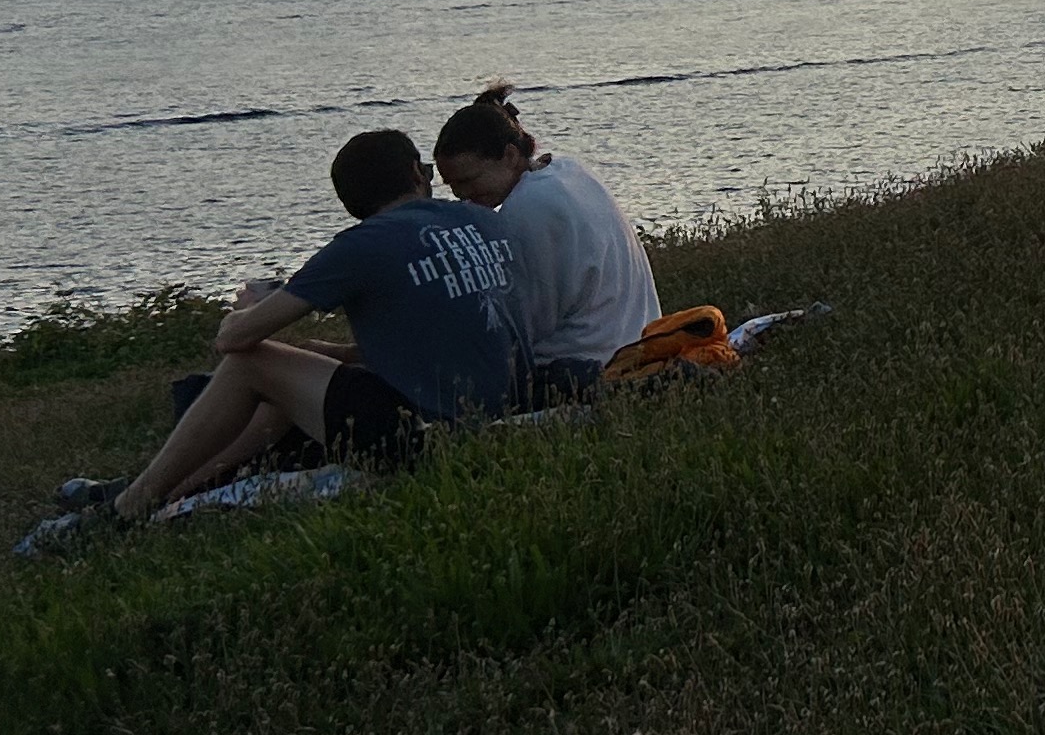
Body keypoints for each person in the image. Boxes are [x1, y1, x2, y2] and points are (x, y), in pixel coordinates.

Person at [82, 129, 521, 524]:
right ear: (414, 173)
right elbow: (444, 333)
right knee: (288, 380)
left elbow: (234, 339)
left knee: (249, 365)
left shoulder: (363, 245)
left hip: (423, 436)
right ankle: (175, 487)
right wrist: (330, 352)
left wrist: (249, 308)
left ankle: (128, 509)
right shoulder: (480, 220)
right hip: (497, 407)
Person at [434, 86, 659, 402]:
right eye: (452, 185)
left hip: (584, 368)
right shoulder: (569, 171)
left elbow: (524, 327)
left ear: (510, 156)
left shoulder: (526, 209)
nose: (460, 195)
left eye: (468, 181)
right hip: (634, 340)